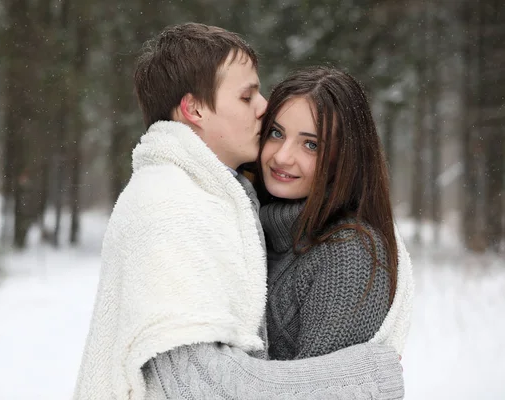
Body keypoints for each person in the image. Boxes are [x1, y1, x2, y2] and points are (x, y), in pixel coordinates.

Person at [73, 23, 404, 400]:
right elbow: (195, 385)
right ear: (194, 108)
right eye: (248, 98)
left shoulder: (332, 249)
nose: (264, 108)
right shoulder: (172, 206)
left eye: (311, 144)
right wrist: (368, 376)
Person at [255, 67, 414, 362]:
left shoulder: (348, 254)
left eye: (310, 144)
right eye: (277, 133)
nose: (282, 156)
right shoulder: (252, 230)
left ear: (345, 158)